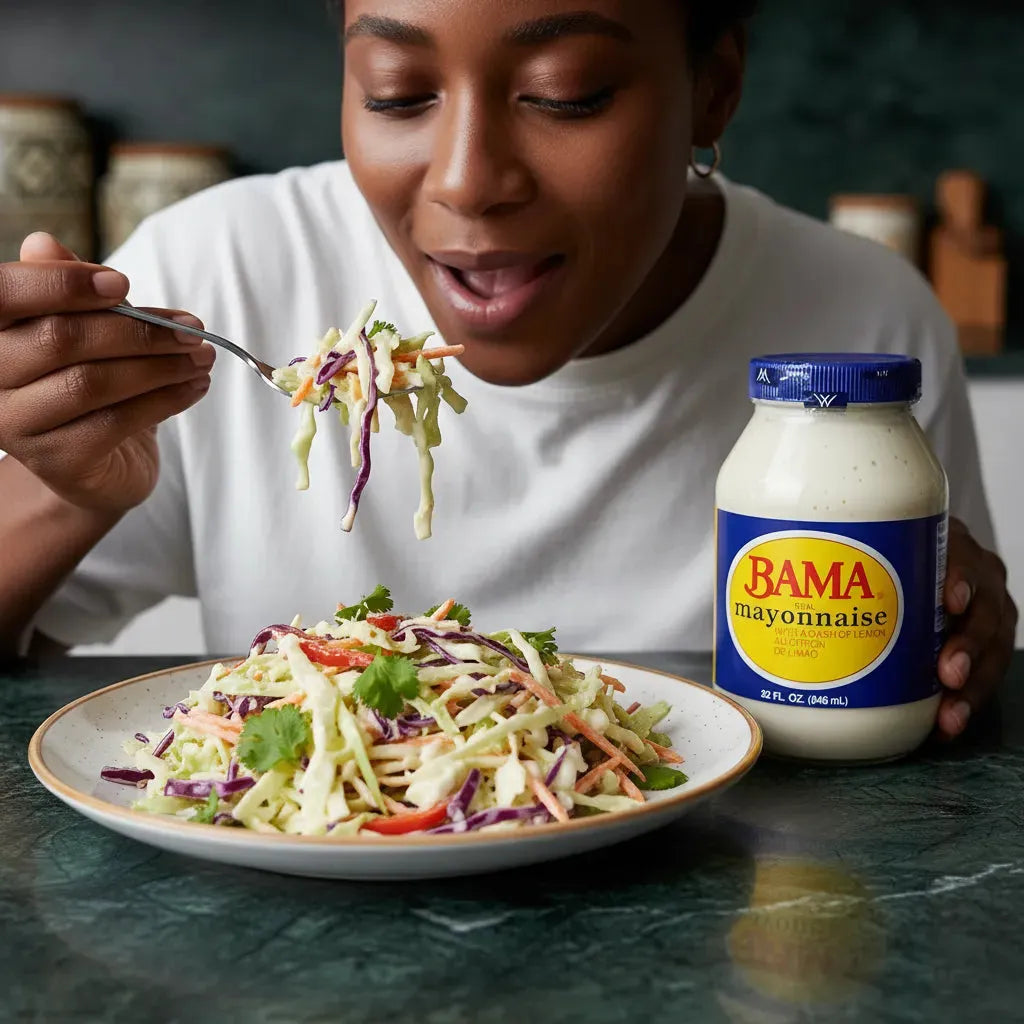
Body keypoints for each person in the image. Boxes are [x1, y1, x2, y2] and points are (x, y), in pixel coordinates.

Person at [0, 0, 1015, 741]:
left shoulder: (860, 322)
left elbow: (926, 701)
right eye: (397, 94)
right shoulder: (220, 273)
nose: (468, 181)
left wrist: (955, 638)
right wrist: (60, 492)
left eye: (563, 96)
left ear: (712, 88)